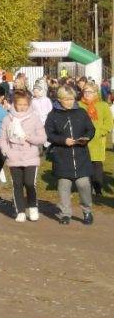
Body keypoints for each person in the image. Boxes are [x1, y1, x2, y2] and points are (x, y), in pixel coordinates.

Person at [45, 84, 96, 226]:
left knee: (83, 184)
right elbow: (49, 134)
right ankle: (65, 213)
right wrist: (63, 140)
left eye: (71, 99)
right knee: (64, 185)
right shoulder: (53, 115)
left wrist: (86, 138)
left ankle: (87, 211)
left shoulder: (81, 112)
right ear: (59, 99)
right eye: (66, 99)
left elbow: (91, 129)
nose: (69, 102)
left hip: (81, 155)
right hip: (62, 156)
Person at [0, 89, 47, 223]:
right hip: (13, 157)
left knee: (30, 183)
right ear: (14, 104)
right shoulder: (7, 119)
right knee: (17, 184)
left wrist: (30, 138)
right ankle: (20, 211)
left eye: (25, 104)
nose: (22, 107)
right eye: (19, 104)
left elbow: (42, 138)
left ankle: (33, 206)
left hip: (31, 156)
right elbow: (2, 139)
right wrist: (6, 151)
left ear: (29, 104)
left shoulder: (34, 118)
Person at [80, 83, 112, 195]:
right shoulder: (79, 105)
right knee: (84, 165)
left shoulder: (103, 105)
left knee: (96, 165)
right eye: (85, 91)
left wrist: (100, 133)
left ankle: (97, 188)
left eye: (89, 92)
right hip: (83, 140)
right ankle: (86, 188)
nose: (87, 94)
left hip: (97, 141)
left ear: (95, 93)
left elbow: (108, 123)